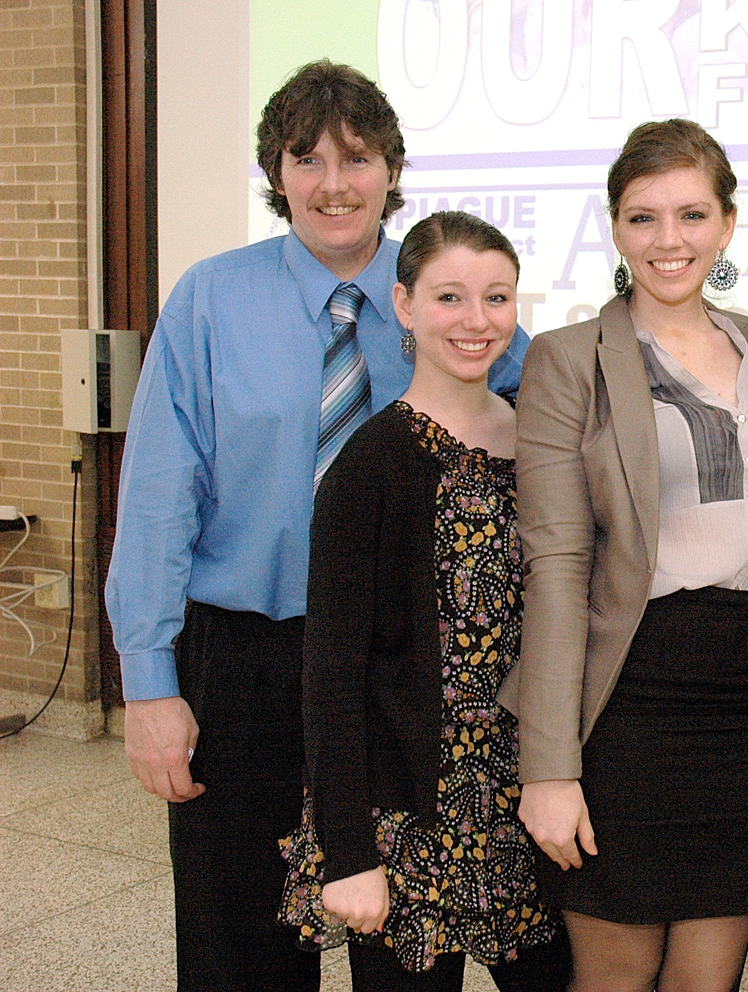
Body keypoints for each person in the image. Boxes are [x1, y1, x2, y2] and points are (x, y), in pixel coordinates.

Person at [105, 61, 526, 990]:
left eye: (358, 157)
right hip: (246, 665)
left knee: (407, 946)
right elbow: (158, 498)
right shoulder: (210, 300)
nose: (333, 183)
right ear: (276, 172)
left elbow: (546, 442)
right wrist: (149, 682)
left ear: (392, 168)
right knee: (239, 950)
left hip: (404, 679)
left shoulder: (447, 298)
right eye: (307, 159)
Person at [501, 118, 748, 992]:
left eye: (691, 215)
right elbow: (554, 566)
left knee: (709, 981)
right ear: (614, 227)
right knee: (615, 978)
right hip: (628, 704)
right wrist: (549, 766)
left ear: (727, 222)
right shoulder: (570, 360)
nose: (668, 241)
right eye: (642, 218)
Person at [277, 211, 569, 991]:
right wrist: (348, 856)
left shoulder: (544, 445)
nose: (476, 321)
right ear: (403, 306)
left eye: (497, 297)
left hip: (531, 802)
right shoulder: (369, 467)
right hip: (406, 815)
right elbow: (331, 676)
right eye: (449, 298)